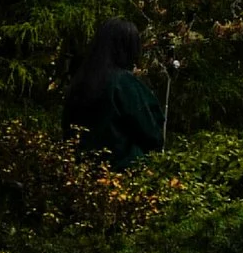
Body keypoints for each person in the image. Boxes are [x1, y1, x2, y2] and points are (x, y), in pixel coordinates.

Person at [61, 17, 165, 168]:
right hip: (121, 175)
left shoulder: (79, 82)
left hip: (80, 173)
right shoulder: (123, 83)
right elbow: (151, 132)